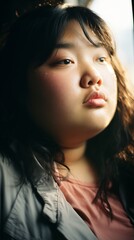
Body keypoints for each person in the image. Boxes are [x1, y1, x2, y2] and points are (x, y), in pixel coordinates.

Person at [0, 3, 134, 240]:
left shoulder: (126, 173)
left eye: (101, 58)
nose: (94, 77)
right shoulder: (5, 180)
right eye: (65, 61)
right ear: (18, 86)